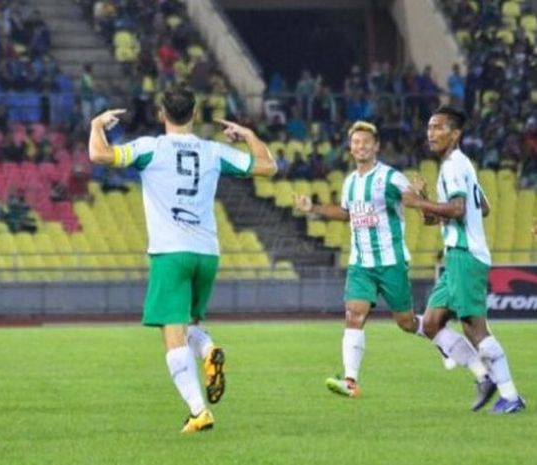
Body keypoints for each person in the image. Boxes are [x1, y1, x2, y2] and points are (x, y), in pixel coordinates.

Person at [88, 83, 276, 433]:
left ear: (162, 115)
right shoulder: (213, 151)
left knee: (172, 335)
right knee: (191, 325)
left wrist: (97, 126)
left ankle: (198, 410)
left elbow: (100, 156)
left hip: (170, 252)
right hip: (207, 252)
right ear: (193, 115)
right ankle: (208, 352)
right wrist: (248, 134)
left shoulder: (149, 148)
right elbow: (268, 166)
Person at [293, 121, 465, 399]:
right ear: (351, 148)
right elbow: (346, 213)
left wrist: (420, 195)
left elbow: (417, 206)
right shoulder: (349, 182)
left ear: (376, 147)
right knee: (353, 314)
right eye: (356, 143)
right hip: (361, 264)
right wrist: (312, 207)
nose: (360, 147)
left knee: (407, 323)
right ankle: (351, 381)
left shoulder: (391, 177)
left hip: (390, 262)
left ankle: (442, 337)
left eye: (365, 142)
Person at [405, 106, 525, 413]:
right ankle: (484, 377)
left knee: (475, 328)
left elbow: (458, 209)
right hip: (455, 256)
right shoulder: (461, 165)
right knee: (431, 323)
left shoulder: (454, 165)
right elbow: (481, 206)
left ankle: (511, 395)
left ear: (455, 134)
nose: (430, 133)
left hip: (466, 255)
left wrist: (420, 200)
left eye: (438, 127)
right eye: (429, 127)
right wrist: (427, 201)